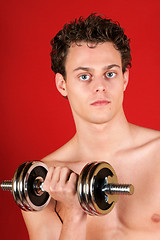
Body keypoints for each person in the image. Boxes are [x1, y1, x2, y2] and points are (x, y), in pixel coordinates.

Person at [22, 13, 160, 239]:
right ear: (62, 84)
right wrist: (74, 214)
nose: (100, 87)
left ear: (124, 78)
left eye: (110, 73)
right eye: (85, 76)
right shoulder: (43, 181)